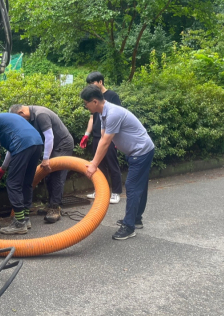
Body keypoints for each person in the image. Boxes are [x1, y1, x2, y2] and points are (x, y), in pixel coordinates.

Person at [80, 85, 155, 240]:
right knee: (138, 185)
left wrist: (93, 164)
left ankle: (129, 227)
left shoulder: (113, 113)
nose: (85, 106)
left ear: (94, 101)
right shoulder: (102, 113)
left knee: (132, 186)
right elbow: (103, 138)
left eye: (86, 103)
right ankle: (135, 219)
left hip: (141, 152)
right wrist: (96, 161)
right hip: (136, 151)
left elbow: (106, 142)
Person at [0, 112, 44, 235]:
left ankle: (19, 223)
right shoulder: (7, 121)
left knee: (13, 183)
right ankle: (26, 219)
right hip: (37, 143)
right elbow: (11, 150)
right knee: (26, 182)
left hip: (23, 144)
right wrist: (3, 168)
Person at [9, 104, 75, 223]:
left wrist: (45, 159)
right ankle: (51, 204)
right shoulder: (31, 116)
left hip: (62, 144)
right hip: (52, 145)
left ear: (21, 113)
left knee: (57, 175)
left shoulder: (41, 115)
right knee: (48, 175)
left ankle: (55, 208)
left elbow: (49, 137)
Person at [80, 71, 123, 204]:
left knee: (112, 164)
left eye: (92, 83)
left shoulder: (111, 96)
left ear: (100, 82)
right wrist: (87, 134)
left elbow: (118, 117)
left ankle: (116, 192)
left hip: (109, 136)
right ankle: (101, 190)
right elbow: (92, 117)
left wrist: (116, 139)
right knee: (98, 164)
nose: (90, 86)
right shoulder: (92, 98)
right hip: (98, 135)